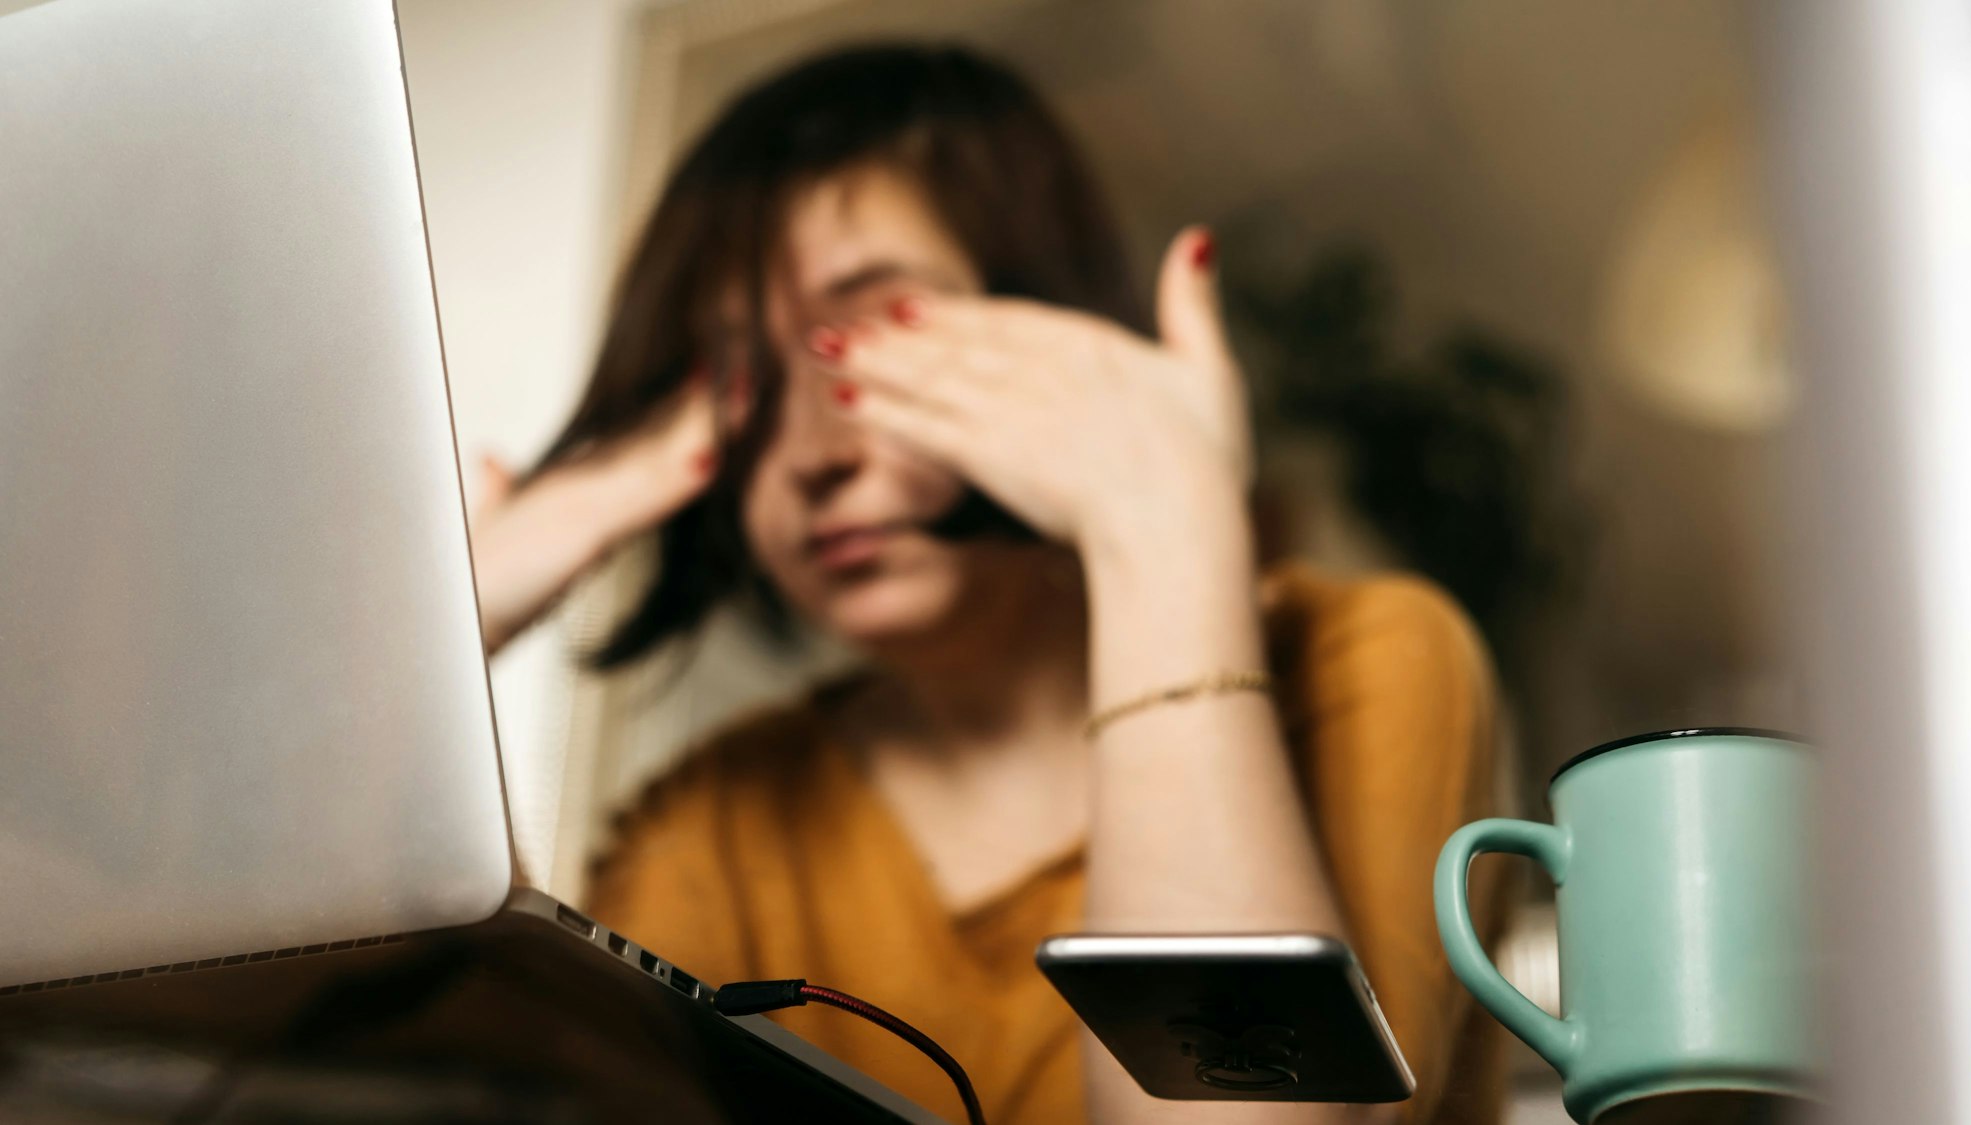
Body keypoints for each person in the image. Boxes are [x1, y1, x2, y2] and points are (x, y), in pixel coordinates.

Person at [470, 43, 1512, 1125]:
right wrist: (442, 643)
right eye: (743, 383)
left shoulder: (1368, 659)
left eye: (864, 346)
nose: (811, 456)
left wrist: (1161, 517)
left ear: (1045, 318)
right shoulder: (714, 822)